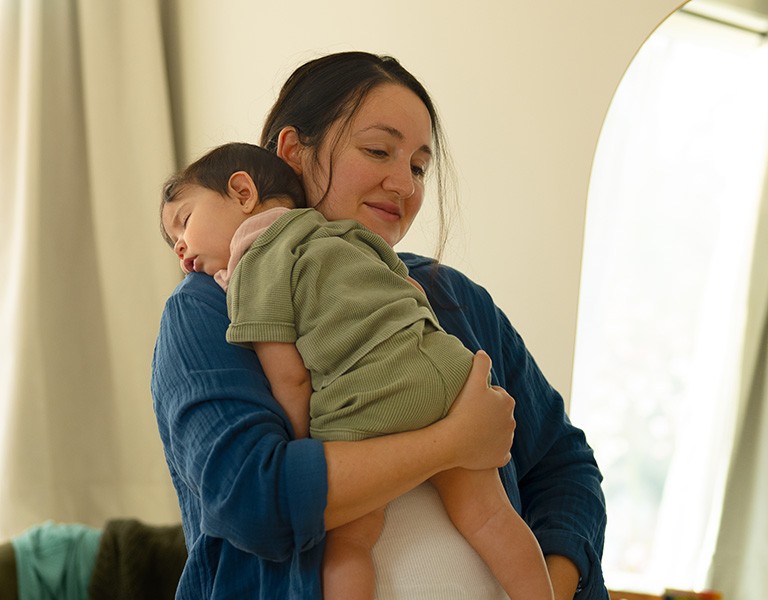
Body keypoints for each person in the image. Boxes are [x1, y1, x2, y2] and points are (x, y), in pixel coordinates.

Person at [151, 51, 609, 599]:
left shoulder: (450, 296)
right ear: (295, 152)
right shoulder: (209, 308)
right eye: (377, 150)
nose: (405, 185)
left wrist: (551, 590)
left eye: (418, 166)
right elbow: (249, 498)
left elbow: (565, 468)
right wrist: (451, 442)